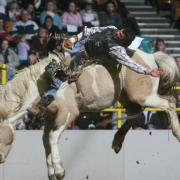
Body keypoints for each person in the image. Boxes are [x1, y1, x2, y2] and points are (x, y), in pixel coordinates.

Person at [27, 25, 162, 116]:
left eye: (122, 35)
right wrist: (72, 39)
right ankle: (42, 62)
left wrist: (148, 72)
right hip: (80, 43)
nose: (119, 33)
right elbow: (89, 31)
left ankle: (42, 105)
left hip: (85, 57)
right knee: (56, 41)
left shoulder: (117, 49)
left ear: (123, 41)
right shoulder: (112, 28)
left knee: (60, 73)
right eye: (121, 31)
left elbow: (130, 63)